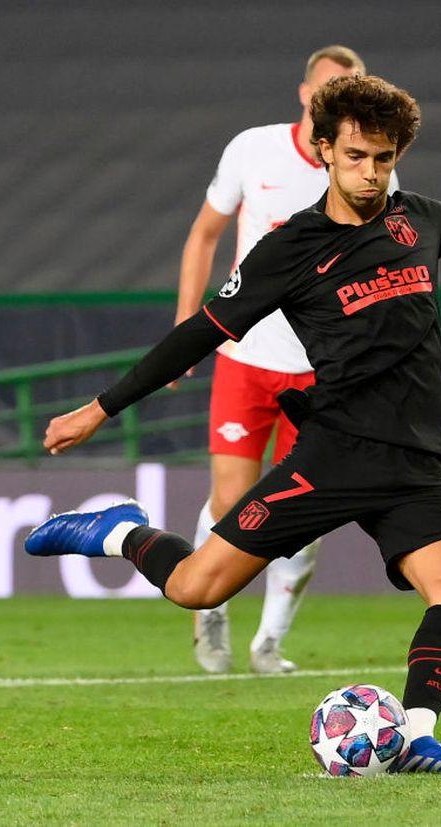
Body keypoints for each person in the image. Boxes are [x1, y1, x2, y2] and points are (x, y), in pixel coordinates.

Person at [25, 74, 441, 774]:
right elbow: (198, 333)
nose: (371, 172)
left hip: (414, 463)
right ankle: (120, 529)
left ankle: (415, 734)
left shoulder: (420, 219)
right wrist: (99, 408)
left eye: (383, 157)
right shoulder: (290, 249)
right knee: (197, 586)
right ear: (323, 152)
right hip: (335, 455)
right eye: (355, 156)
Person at [174, 46, 394, 675]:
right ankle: (208, 611)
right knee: (230, 498)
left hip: (324, 370)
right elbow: (204, 233)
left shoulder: (371, 170)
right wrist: (190, 323)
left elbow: (387, 267)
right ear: (306, 95)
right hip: (247, 355)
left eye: (352, 90)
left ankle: (270, 641)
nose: (341, 100)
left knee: (302, 509)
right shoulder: (252, 149)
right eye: (330, 89)